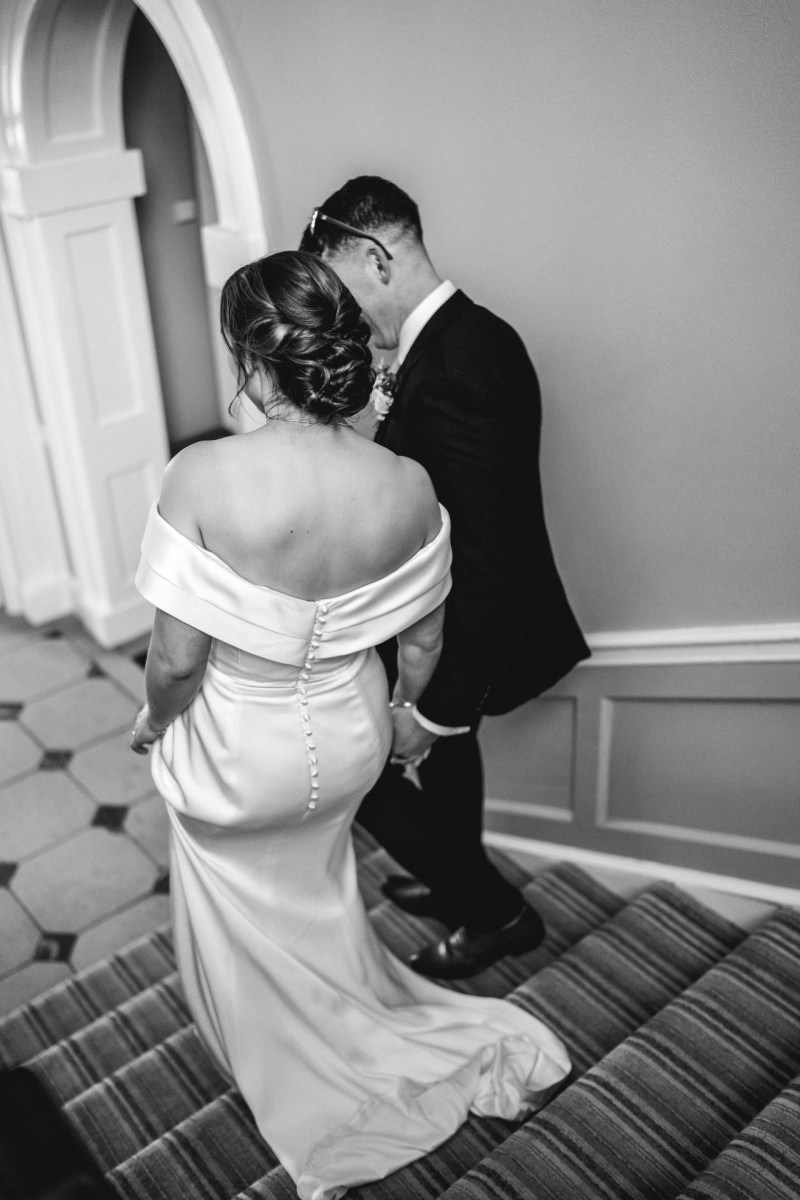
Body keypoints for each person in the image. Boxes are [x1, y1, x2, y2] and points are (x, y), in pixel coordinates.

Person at [130, 251, 570, 1200]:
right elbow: (424, 642)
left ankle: (290, 1055)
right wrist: (407, 712)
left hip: (241, 756)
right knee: (320, 882)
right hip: (351, 736)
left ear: (254, 357)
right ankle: (346, 1018)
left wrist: (152, 722)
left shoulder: (201, 475)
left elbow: (176, 662)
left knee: (248, 905)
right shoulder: (406, 482)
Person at [301, 178, 590, 980]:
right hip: (439, 623)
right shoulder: (464, 338)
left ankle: (496, 914)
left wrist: (437, 707)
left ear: (376, 258)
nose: (342, 311)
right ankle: (456, 882)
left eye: (341, 284)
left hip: (462, 630)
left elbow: (486, 553)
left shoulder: (459, 362)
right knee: (452, 766)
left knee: (367, 772)